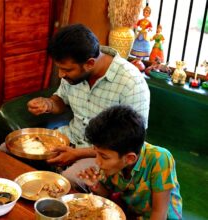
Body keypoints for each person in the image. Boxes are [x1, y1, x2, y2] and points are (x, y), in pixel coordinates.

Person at [26, 24, 150, 188]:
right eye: (60, 68)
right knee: (8, 149)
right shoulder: (75, 70)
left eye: (67, 70)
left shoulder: (131, 83)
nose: (61, 75)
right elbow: (61, 101)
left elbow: (131, 143)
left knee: (68, 180)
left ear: (90, 63)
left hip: (101, 153)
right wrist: (48, 104)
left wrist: (78, 154)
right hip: (69, 138)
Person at [78, 105, 182, 219]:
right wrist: (95, 185)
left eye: (104, 157)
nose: (97, 161)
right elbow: (107, 195)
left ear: (129, 158)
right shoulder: (113, 162)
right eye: (96, 153)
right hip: (132, 214)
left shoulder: (160, 159)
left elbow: (159, 213)